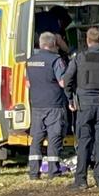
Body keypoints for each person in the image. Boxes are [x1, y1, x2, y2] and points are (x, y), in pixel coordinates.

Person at [63, 27, 99, 189]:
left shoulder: (80, 58)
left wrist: (70, 97)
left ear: (87, 41)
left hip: (84, 104)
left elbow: (67, 79)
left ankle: (81, 180)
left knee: (84, 141)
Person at [26, 32, 68, 180]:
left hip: (37, 105)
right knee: (54, 137)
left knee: (36, 138)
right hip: (54, 104)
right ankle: (53, 172)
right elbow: (63, 82)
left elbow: (28, 83)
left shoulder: (30, 61)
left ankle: (33, 173)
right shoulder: (56, 60)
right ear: (53, 44)